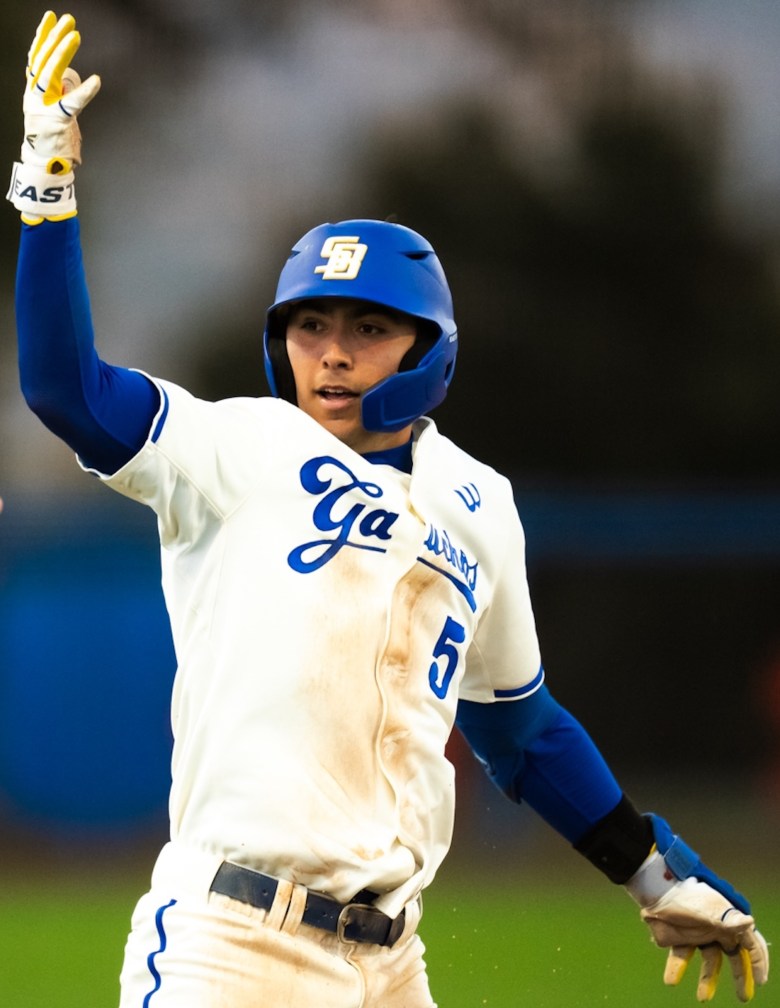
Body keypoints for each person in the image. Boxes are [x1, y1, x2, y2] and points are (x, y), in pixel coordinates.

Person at [9, 12, 769, 1008]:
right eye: (310, 324)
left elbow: (523, 733)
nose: (330, 352)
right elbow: (67, 390)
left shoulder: (479, 506)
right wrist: (46, 186)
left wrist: (654, 871)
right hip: (233, 945)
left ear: (429, 349)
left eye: (369, 327)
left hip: (389, 963)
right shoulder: (237, 447)